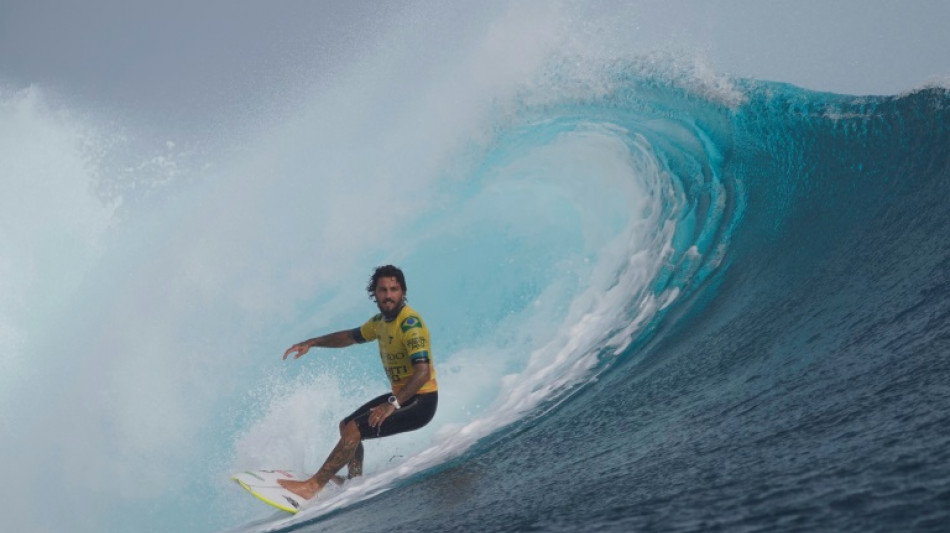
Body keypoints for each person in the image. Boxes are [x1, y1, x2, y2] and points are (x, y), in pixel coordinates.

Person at [277, 265, 438, 500]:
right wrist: (312, 342)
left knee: (354, 430)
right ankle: (355, 482)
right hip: (403, 397)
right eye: (383, 290)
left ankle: (312, 487)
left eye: (394, 289)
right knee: (347, 426)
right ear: (375, 293)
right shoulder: (380, 323)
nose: (388, 295)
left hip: (421, 401)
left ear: (403, 291)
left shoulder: (409, 325)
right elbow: (349, 337)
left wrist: (392, 403)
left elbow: (422, 373)